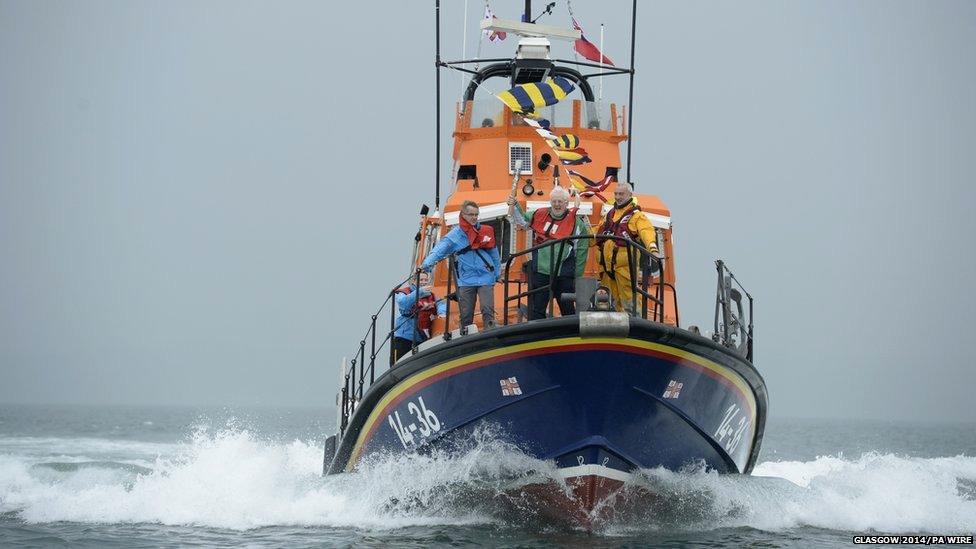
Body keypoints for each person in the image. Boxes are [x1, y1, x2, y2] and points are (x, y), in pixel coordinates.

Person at [507, 186, 590, 320]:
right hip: (541, 271)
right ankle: (535, 335)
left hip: (564, 273)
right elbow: (522, 221)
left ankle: (570, 334)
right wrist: (514, 204)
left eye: (560, 201)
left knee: (567, 308)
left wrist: (577, 276)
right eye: (554, 201)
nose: (557, 204)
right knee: (536, 308)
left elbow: (581, 250)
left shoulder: (577, 223)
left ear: (566, 203)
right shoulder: (539, 214)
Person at [421, 200, 501, 332]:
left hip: (486, 276)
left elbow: (495, 255)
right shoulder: (455, 235)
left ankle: (490, 330)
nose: (474, 217)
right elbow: (440, 250)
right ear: (463, 215)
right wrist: (426, 265)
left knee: (487, 308)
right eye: (471, 214)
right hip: (466, 279)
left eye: (476, 214)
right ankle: (465, 334)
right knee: (466, 313)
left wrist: (497, 273)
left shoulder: (486, 231)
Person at [596, 184, 660, 313]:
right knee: (608, 299)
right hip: (606, 269)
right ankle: (608, 322)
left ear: (630, 195)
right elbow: (596, 233)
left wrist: (653, 248)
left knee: (628, 297)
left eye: (621, 194)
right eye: (616, 194)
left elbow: (646, 231)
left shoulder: (636, 216)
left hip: (625, 267)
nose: (618, 197)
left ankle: (633, 320)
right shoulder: (609, 215)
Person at [391, 271, 446, 365]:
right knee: (399, 365)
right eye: (421, 280)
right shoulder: (405, 293)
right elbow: (403, 304)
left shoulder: (431, 296)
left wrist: (442, 312)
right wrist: (418, 293)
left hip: (421, 338)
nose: (423, 282)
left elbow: (441, 303)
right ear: (414, 281)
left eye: (426, 280)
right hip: (404, 338)